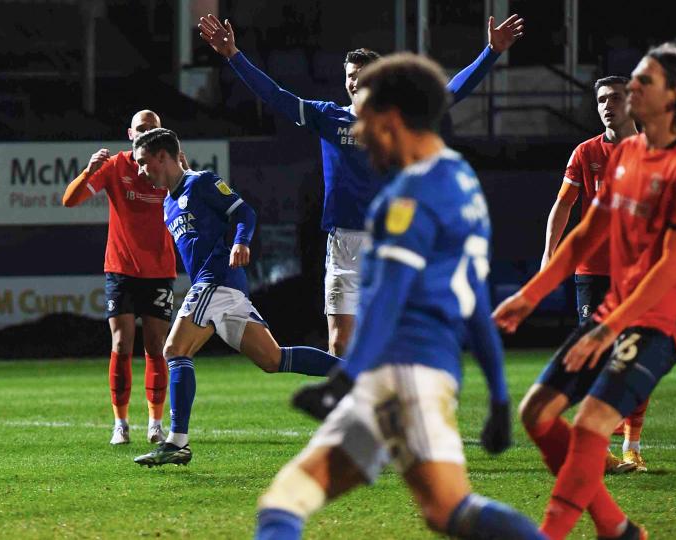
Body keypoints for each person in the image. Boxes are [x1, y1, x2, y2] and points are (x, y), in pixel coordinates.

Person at [253, 53, 542, 540]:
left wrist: (344, 379)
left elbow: (388, 301)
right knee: (447, 511)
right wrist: (497, 395)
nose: (359, 133)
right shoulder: (462, 181)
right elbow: (473, 298)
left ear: (391, 118)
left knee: (286, 502)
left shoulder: (402, 200)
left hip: (401, 376)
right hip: (429, 373)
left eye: (366, 119)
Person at [199, 13, 524, 357]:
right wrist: (233, 56)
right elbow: (275, 95)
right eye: (350, 76)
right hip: (344, 244)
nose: (355, 82)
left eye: (362, 75)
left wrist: (491, 52)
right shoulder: (328, 117)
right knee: (339, 343)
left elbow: (451, 92)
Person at [493, 42, 676, 539]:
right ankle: (616, 528)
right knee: (536, 412)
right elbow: (588, 232)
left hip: (664, 316)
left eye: (645, 81)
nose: (632, 90)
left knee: (590, 423)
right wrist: (534, 291)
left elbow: (675, 262)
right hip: (612, 304)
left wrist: (609, 328)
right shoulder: (626, 155)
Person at [129, 128, 344, 467]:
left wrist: (241, 242)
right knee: (273, 359)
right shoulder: (168, 204)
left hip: (215, 280)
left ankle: (177, 442)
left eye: (143, 162)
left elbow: (245, 212)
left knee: (174, 350)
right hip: (221, 288)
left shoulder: (201, 182)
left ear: (162, 156)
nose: (141, 171)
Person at [540, 76, 649, 473]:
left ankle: (632, 447)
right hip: (594, 271)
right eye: (601, 99)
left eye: (615, 98)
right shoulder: (586, 153)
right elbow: (563, 205)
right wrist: (549, 254)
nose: (607, 106)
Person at [62, 110, 175, 446]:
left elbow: (193, 207)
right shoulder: (115, 166)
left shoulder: (169, 167)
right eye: (141, 128)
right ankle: (121, 424)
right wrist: (88, 171)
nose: (146, 132)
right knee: (122, 344)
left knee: (155, 347)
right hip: (121, 268)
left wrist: (184, 174)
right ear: (130, 133)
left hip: (159, 269)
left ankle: (155, 424)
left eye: (152, 128)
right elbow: (70, 201)